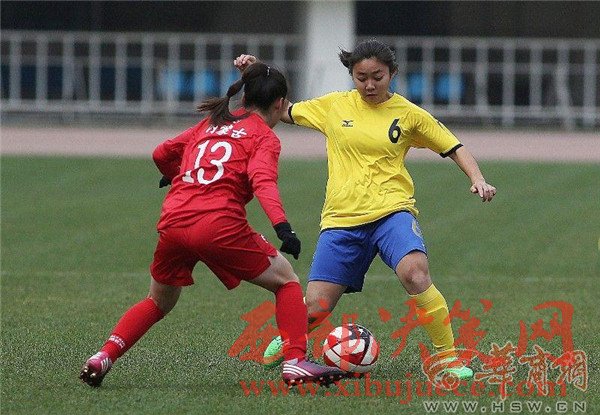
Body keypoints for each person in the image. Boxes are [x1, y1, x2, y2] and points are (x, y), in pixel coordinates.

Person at [235, 39, 497, 380]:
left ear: (392, 74)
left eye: (377, 77)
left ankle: (447, 360)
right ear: (352, 76)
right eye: (361, 78)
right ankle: (289, 339)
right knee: (316, 307)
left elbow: (453, 146)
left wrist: (478, 179)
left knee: (415, 273)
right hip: (342, 219)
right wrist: (257, 72)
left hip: (392, 212)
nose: (370, 85)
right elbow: (281, 110)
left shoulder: (409, 114)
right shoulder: (334, 106)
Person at [79, 62, 346, 388]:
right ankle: (295, 362)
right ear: (280, 104)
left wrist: (176, 173)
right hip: (218, 224)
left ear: (244, 98)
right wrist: (282, 227)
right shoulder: (264, 136)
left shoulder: (212, 122)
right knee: (286, 281)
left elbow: (161, 153)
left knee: (158, 301)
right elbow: (262, 181)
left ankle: (103, 356)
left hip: (174, 221)